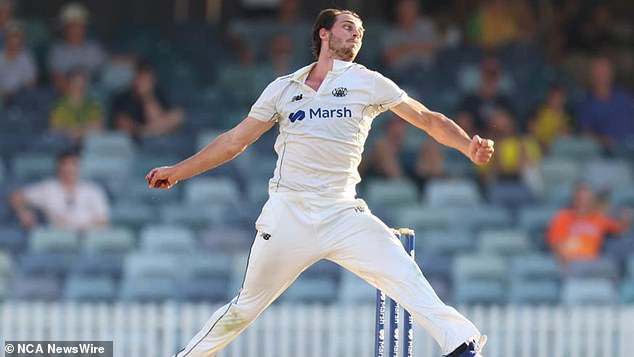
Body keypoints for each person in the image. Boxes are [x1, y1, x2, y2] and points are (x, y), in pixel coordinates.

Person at [147, 9, 492, 357]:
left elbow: (427, 119)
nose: (356, 34)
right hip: (289, 212)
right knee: (244, 308)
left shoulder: (367, 81)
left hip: (342, 211)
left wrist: (467, 146)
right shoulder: (284, 88)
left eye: (360, 31)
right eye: (348, 27)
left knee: (404, 273)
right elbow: (234, 142)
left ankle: (461, 345)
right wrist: (178, 171)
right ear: (323, 34)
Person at [9, 150, 110, 232]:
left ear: (79, 166)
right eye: (64, 164)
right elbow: (15, 197)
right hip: (56, 239)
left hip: (86, 239)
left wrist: (82, 229)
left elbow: (103, 222)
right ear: (58, 167)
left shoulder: (92, 190)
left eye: (73, 164)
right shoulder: (47, 188)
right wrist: (23, 213)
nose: (68, 168)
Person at [548, 183, 632, 262]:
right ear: (574, 200)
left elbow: (621, 228)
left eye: (588, 200)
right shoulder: (563, 217)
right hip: (570, 263)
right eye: (580, 200)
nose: (584, 204)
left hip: (592, 264)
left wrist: (626, 217)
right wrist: (563, 264)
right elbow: (555, 244)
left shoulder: (599, 218)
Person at [112, 60, 184, 139]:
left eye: (147, 78)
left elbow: (176, 117)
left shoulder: (161, 94)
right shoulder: (123, 97)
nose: (143, 82)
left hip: (159, 138)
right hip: (135, 143)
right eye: (140, 77)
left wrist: (147, 97)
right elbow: (123, 125)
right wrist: (144, 131)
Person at [576, 56, 634, 152]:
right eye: (598, 73)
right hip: (610, 155)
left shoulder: (624, 97)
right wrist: (603, 141)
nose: (602, 77)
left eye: (605, 73)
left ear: (611, 75)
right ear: (591, 76)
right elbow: (585, 134)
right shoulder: (586, 104)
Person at [47, 2, 106, 91]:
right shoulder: (57, 51)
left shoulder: (93, 48)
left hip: (93, 93)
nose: (76, 30)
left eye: (80, 26)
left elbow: (107, 66)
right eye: (72, 26)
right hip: (69, 95)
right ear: (64, 28)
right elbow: (57, 78)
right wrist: (75, 94)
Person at [49, 68, 103, 142]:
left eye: (82, 83)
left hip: (90, 143)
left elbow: (98, 128)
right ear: (69, 84)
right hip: (65, 144)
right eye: (75, 83)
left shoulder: (93, 105)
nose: (79, 87)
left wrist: (74, 130)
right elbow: (55, 131)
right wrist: (85, 128)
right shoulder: (58, 105)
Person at [0, 21, 37, 105]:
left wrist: (15, 93)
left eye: (19, 36)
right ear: (7, 38)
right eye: (13, 36)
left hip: (20, 97)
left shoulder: (27, 57)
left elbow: (31, 83)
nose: (16, 40)